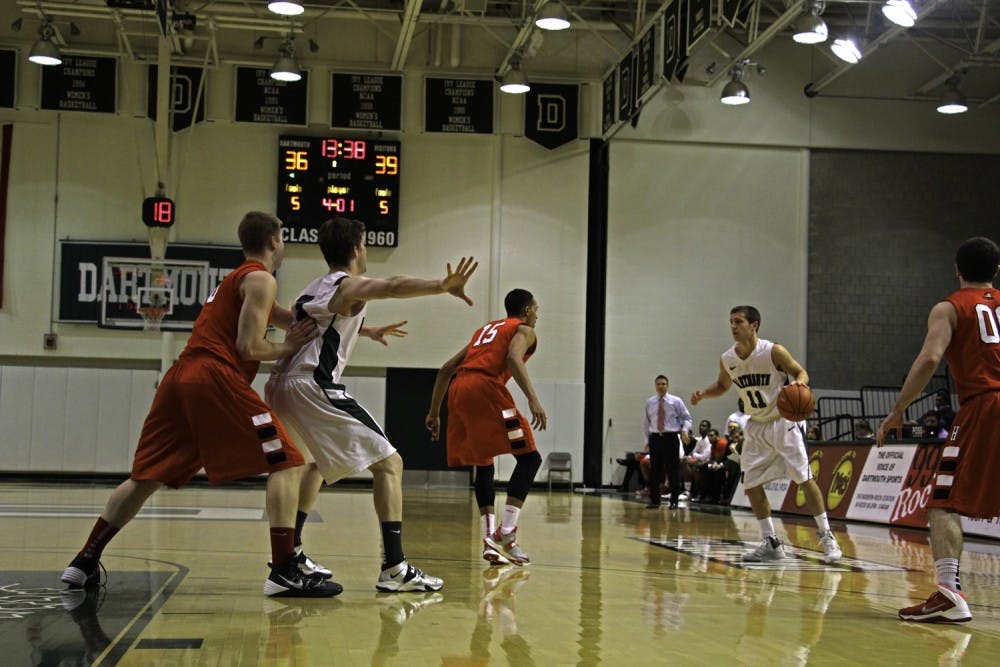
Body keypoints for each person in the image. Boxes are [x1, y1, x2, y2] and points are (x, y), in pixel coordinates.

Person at [60, 212, 342, 598]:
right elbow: (249, 348)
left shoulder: (239, 279)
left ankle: (84, 561)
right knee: (289, 460)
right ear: (275, 241)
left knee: (145, 477)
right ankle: (283, 569)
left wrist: (359, 323)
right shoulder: (262, 279)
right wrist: (289, 347)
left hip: (181, 378)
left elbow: (294, 315)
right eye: (283, 238)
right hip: (214, 377)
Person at [265, 216, 478, 592]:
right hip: (312, 385)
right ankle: (395, 568)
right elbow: (393, 286)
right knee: (390, 463)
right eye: (364, 243)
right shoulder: (351, 285)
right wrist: (441, 286)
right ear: (356, 248)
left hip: (279, 384)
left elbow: (320, 322)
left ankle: (293, 551)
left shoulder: (312, 288)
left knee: (313, 465)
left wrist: (365, 329)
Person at [877, 236, 1000, 624]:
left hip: (984, 406)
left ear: (957, 269)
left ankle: (949, 591)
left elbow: (930, 357)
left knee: (943, 502)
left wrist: (898, 410)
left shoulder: (949, 307)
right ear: (996, 271)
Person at [691, 305, 842, 564]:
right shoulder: (728, 358)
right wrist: (705, 393)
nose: (733, 327)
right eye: (731, 322)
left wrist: (799, 383)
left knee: (804, 479)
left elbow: (800, 371)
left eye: (738, 321)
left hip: (783, 422)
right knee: (750, 485)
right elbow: (722, 385)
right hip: (757, 426)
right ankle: (771, 542)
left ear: (754, 325)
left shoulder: (773, 351)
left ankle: (827, 536)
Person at [425, 289, 546, 566]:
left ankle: (490, 542)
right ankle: (506, 532)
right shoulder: (524, 329)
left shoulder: (485, 331)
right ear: (527, 310)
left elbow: (446, 369)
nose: (537, 315)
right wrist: (533, 399)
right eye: (536, 309)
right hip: (485, 388)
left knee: (484, 462)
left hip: (459, 392)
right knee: (529, 457)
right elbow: (514, 359)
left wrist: (434, 412)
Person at [641, 375, 692, 509]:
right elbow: (646, 423)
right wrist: (646, 440)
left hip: (671, 437)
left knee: (673, 469)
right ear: (655, 386)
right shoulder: (650, 402)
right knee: (655, 470)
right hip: (655, 438)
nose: (661, 386)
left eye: (663, 384)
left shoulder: (676, 401)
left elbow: (687, 418)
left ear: (667, 385)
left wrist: (685, 430)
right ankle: (654, 500)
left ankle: (674, 501)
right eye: (658, 384)